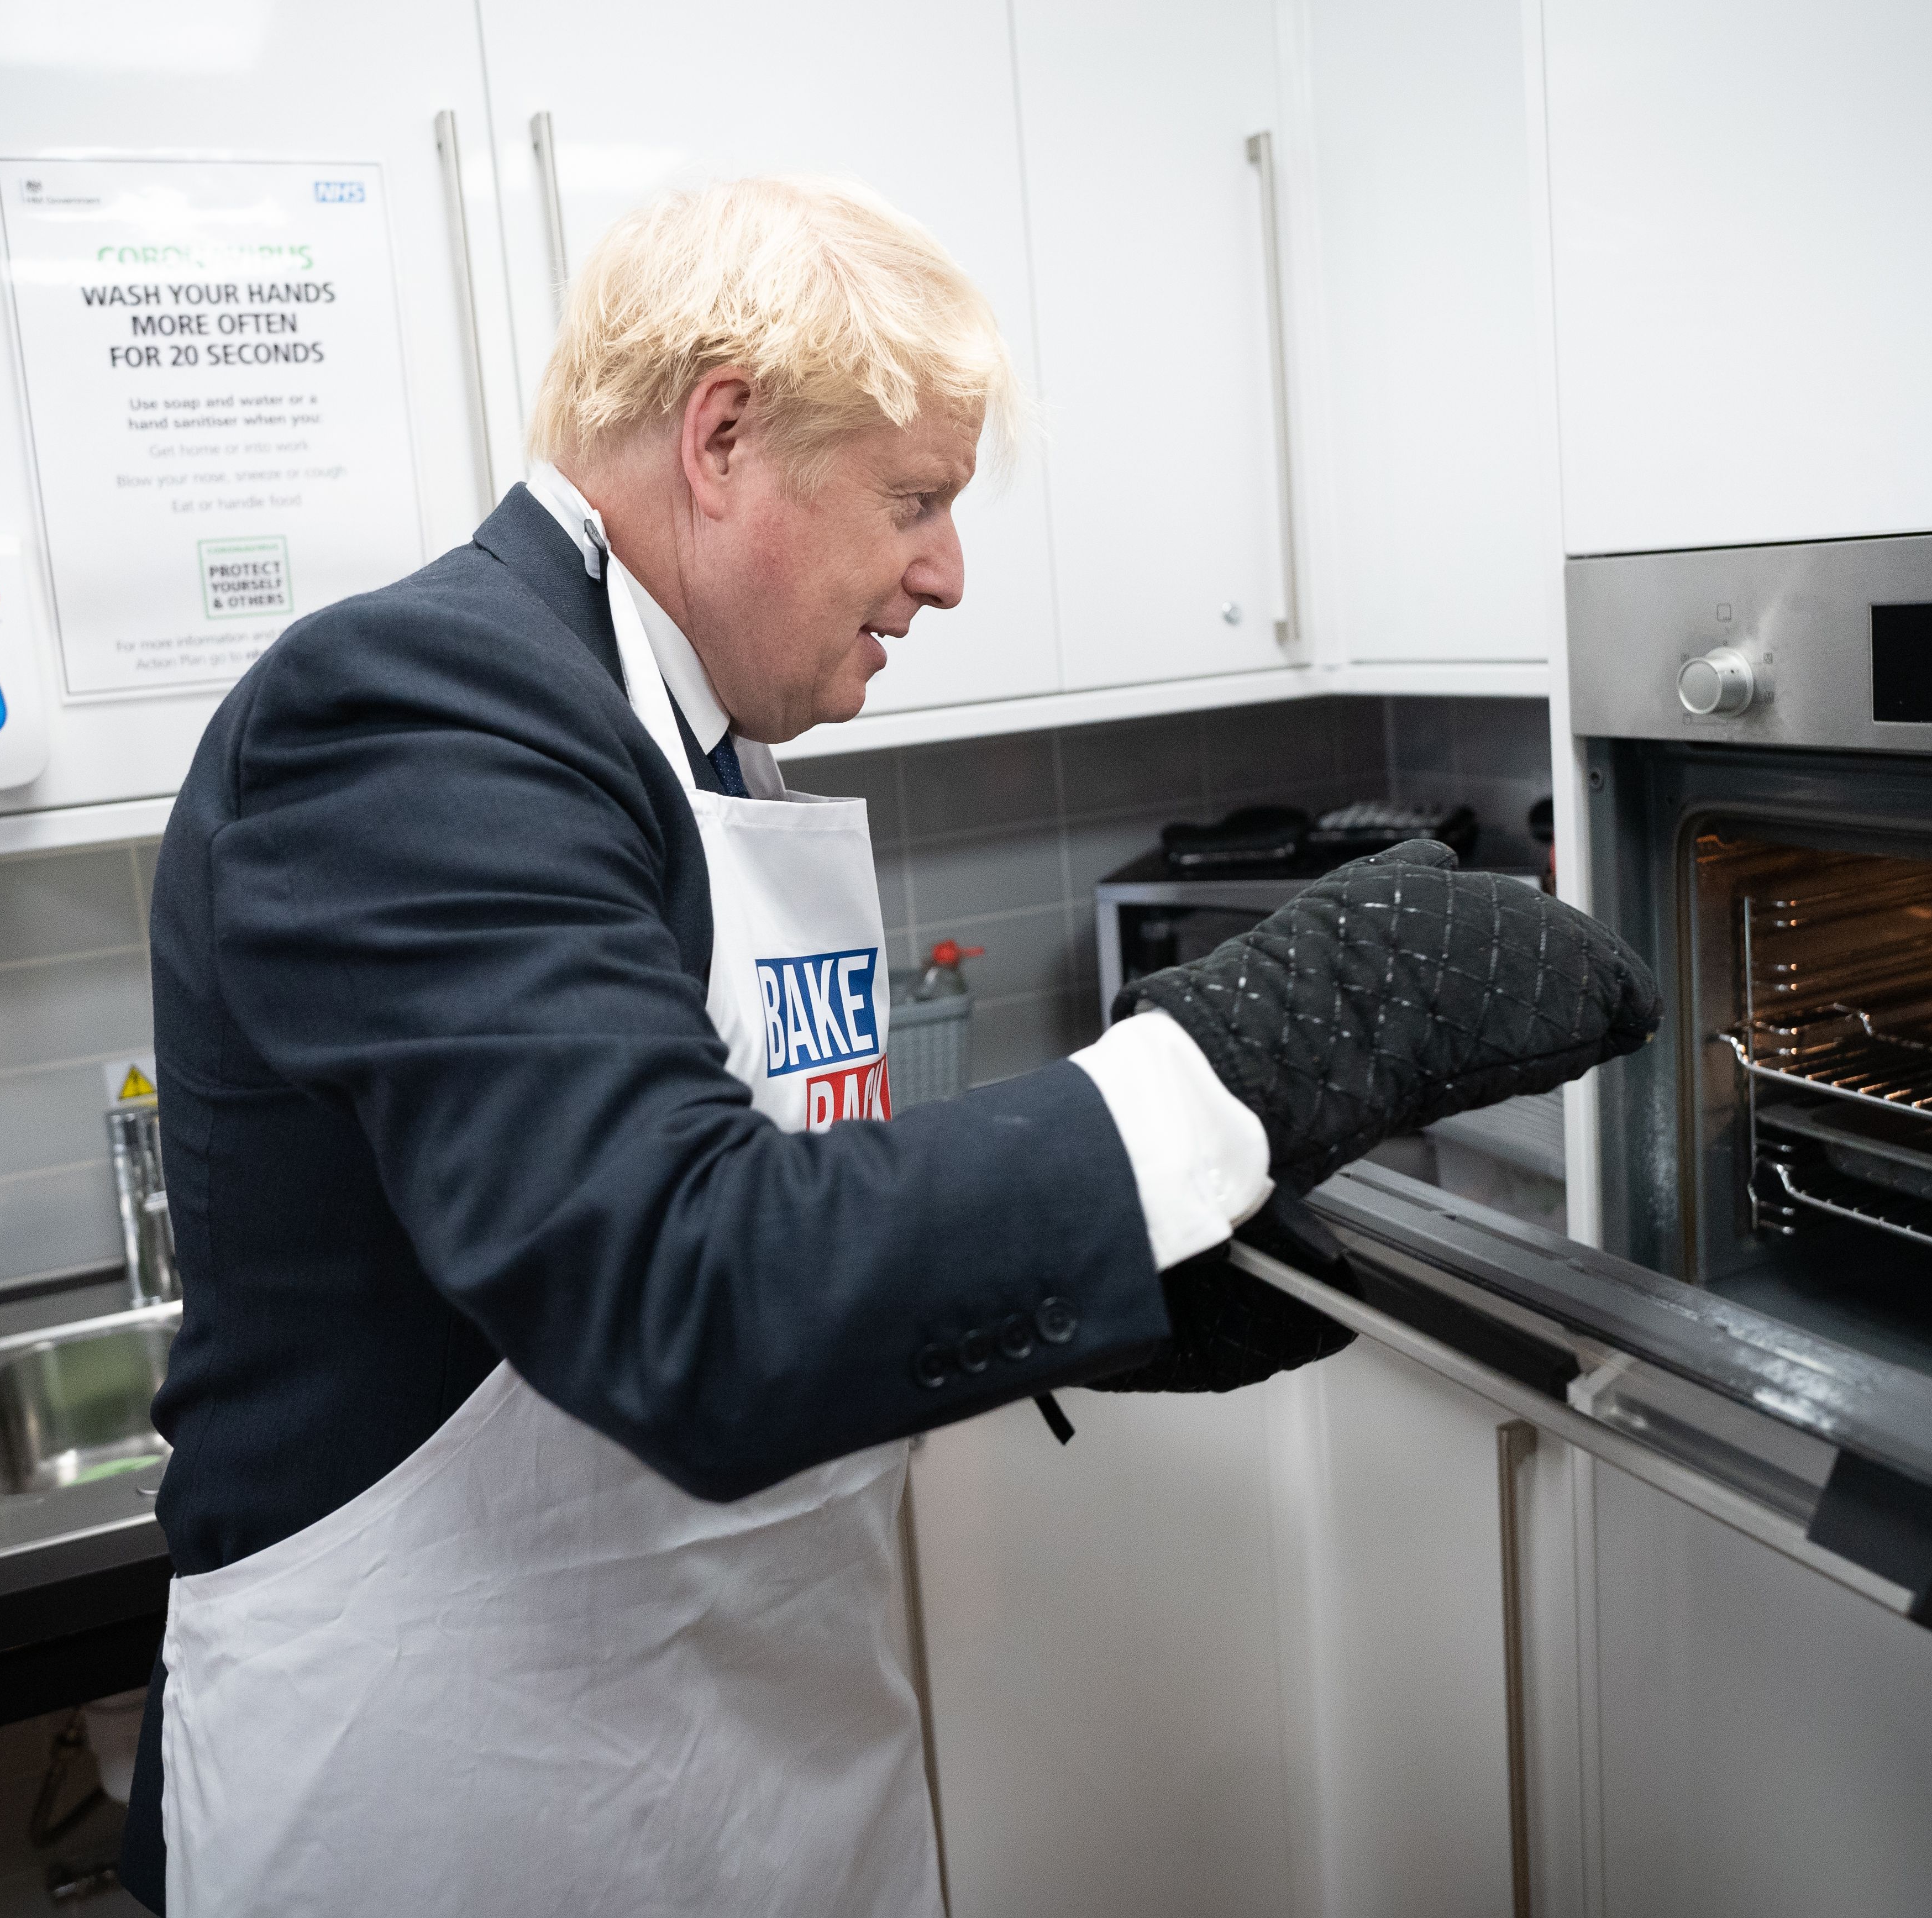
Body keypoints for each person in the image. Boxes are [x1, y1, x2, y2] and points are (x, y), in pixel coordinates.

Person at [122, 176, 1658, 1915]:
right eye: (915, 497)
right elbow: (685, 1290)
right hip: (446, 1800)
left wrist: (1143, 1284)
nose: (944, 570)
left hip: (738, 1765)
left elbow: (789, 1205)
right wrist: (1276, 1037)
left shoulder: (693, 734)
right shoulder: (421, 709)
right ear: (721, 436)